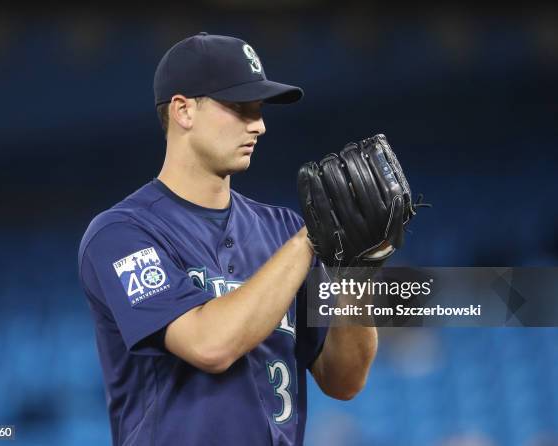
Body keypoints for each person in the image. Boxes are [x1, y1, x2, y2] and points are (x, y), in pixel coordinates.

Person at [78, 32, 377, 446]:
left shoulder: (283, 231)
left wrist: (357, 269)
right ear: (184, 111)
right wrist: (311, 240)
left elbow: (344, 378)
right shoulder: (122, 234)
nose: (259, 124)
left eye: (258, 108)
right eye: (240, 107)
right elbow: (209, 345)